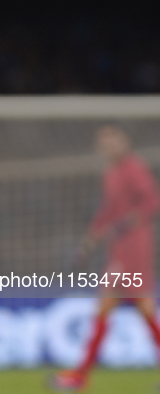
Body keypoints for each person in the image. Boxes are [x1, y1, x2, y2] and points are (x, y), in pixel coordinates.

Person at [52, 126, 160, 391]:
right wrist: (89, 242)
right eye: (104, 143)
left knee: (138, 307)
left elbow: (152, 203)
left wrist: (124, 224)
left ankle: (80, 375)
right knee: (112, 308)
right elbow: (107, 212)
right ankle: (80, 375)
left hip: (134, 249)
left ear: (124, 142)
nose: (109, 147)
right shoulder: (110, 173)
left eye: (113, 141)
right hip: (118, 250)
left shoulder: (133, 168)